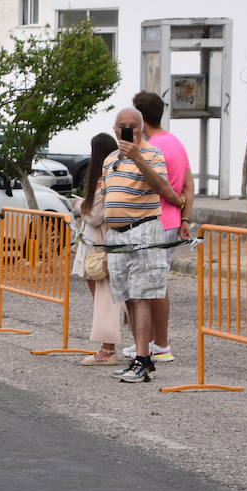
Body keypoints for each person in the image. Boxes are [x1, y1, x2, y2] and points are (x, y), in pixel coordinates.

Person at [100, 108, 184, 384]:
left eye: (132, 126)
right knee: (128, 298)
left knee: (142, 295)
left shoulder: (152, 155)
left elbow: (161, 187)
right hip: (117, 235)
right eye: (121, 126)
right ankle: (140, 356)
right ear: (114, 129)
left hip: (143, 231)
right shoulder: (110, 159)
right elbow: (107, 197)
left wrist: (137, 156)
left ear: (140, 128)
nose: (126, 131)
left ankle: (143, 359)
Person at [124, 91, 195, 364]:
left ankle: (161, 344)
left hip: (154, 219)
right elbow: (189, 185)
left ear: (141, 119)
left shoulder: (150, 149)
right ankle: (154, 342)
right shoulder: (176, 142)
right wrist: (185, 218)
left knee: (153, 285)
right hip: (172, 220)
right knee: (155, 282)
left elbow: (151, 185)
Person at [74, 132, 124, 365]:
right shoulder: (118, 177)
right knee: (111, 299)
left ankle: (108, 350)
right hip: (108, 244)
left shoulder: (103, 181)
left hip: (99, 246)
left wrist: (79, 205)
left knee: (105, 299)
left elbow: (94, 215)